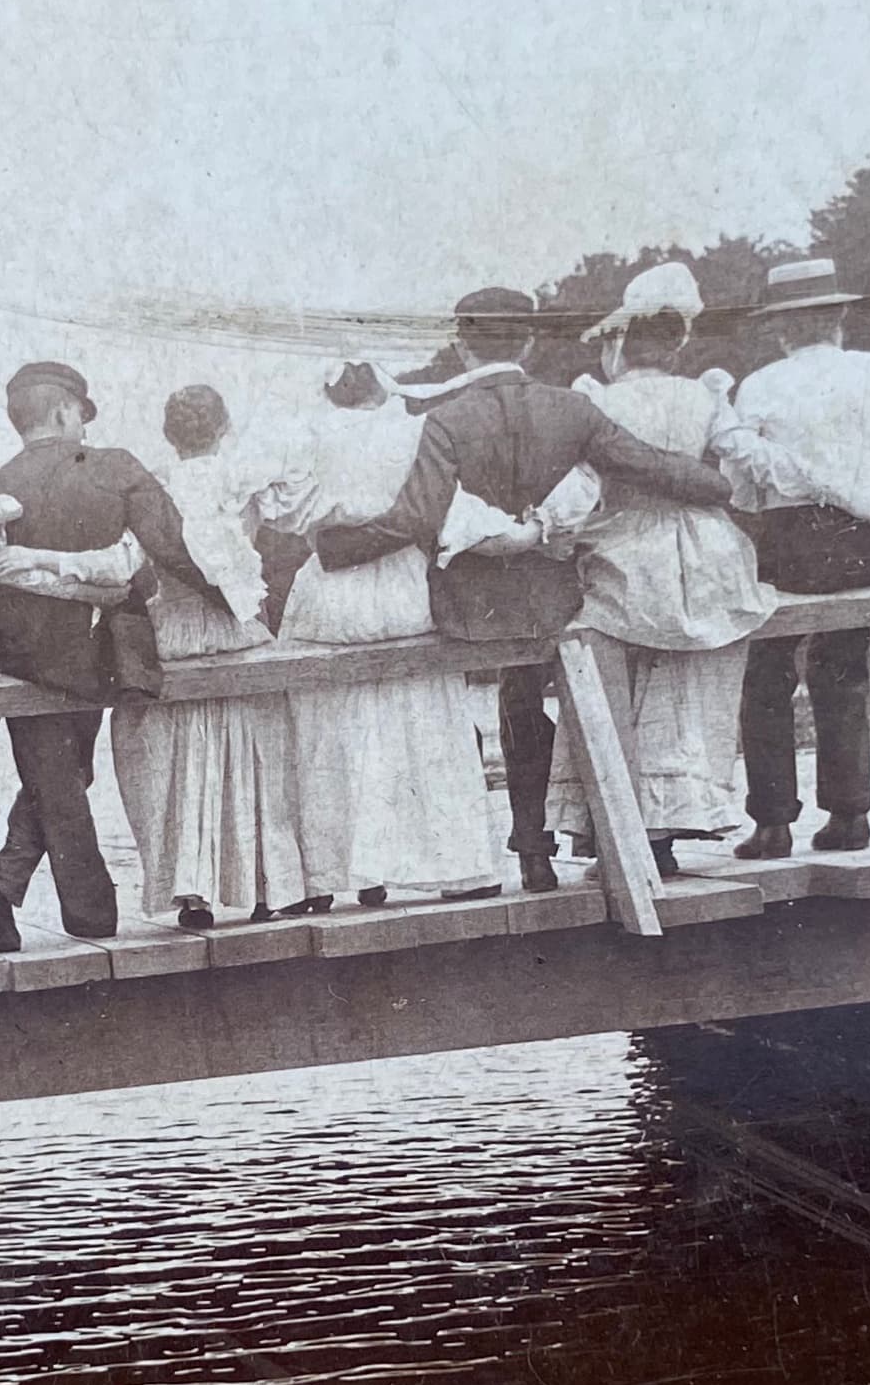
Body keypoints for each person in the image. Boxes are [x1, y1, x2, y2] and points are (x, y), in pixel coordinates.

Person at [313, 287, 735, 891]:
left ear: (462, 344)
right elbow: (651, 465)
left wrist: (337, 549)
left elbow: (415, 516)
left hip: (470, 604)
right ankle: (565, 849)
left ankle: (530, 850)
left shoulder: (445, 419)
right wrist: (719, 490)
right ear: (530, 340)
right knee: (560, 699)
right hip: (555, 594)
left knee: (511, 704)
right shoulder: (572, 409)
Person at [0, 360, 239, 951]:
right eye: (80, 417)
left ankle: (6, 894)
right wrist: (236, 605)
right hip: (95, 650)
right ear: (66, 412)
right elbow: (173, 546)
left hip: (16, 653)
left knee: (55, 774)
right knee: (66, 775)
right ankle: (64, 908)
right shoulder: (115, 467)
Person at [544, 262, 773, 876]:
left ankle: (622, 836)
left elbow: (579, 491)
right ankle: (663, 831)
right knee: (678, 697)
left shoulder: (603, 402)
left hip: (626, 551)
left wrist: (550, 535)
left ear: (622, 343)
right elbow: (743, 463)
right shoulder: (704, 396)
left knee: (614, 693)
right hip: (705, 554)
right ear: (677, 343)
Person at [257, 357, 501, 908]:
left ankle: (329, 874)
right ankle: (455, 864)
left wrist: (336, 514)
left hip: (331, 586)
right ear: (379, 383)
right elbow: (451, 506)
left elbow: (282, 512)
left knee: (329, 726)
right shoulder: (414, 431)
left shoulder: (307, 435)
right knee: (421, 717)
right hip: (401, 581)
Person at [715, 255, 870, 857]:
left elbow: (743, 485)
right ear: (839, 316)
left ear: (780, 328)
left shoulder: (761, 385)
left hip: (796, 546)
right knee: (844, 663)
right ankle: (850, 814)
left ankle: (773, 822)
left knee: (767, 674)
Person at [110, 385, 307, 930]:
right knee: (254, 749)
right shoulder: (239, 479)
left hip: (173, 624)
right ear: (223, 427)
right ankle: (271, 883)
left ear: (170, 435)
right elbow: (289, 509)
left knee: (182, 758)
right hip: (235, 620)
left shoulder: (155, 484)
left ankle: (193, 892)